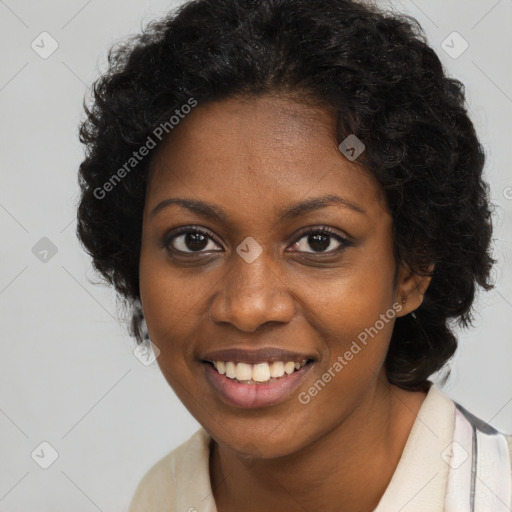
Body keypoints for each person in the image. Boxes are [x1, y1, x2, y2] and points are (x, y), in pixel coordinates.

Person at [75, 0, 512, 510]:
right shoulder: (162, 498)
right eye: (193, 240)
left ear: (411, 271)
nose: (248, 307)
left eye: (318, 241)